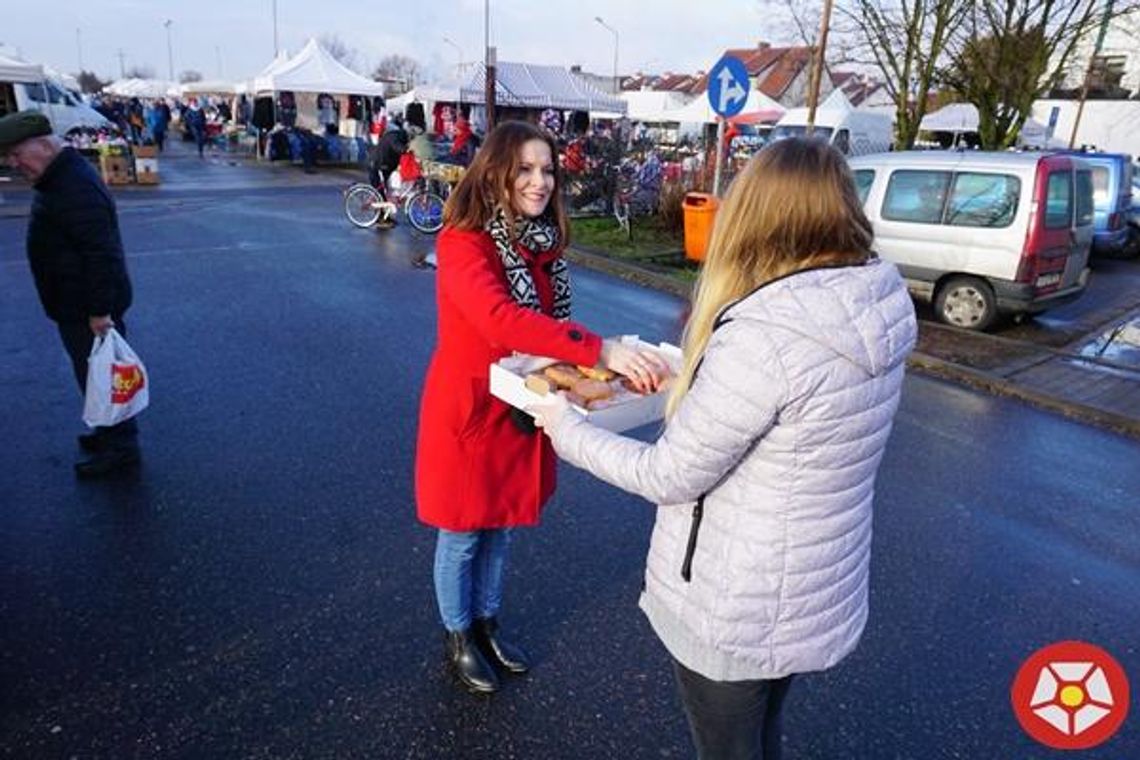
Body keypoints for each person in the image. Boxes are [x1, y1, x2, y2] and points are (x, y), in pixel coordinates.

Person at [529, 138, 917, 758]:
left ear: (759, 215)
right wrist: (690, 372)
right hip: (808, 587)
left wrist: (566, 429)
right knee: (760, 735)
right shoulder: (873, 303)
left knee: (729, 747)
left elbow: (667, 475)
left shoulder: (766, 336)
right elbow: (788, 414)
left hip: (738, 600)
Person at [415, 120, 669, 695]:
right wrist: (600, 348)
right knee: (462, 534)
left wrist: (600, 369)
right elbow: (500, 319)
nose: (539, 182)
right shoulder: (463, 242)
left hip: (524, 404)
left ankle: (487, 624)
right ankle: (458, 636)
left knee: (502, 527)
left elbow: (546, 333)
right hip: (473, 409)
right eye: (525, 169)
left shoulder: (541, 245)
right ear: (496, 172)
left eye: (548, 169)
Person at [0, 110, 142, 478]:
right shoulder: (59, 176)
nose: (14, 164)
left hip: (88, 308)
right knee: (95, 375)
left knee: (105, 375)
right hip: (76, 303)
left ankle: (121, 447)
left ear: (44, 145)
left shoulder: (72, 186)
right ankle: (108, 432)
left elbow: (100, 253)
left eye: (17, 154)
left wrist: (99, 310)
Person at [369, 117, 408, 192]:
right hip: (380, 163)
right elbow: (399, 148)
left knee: (383, 185)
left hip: (382, 162)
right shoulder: (394, 137)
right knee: (381, 186)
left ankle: (384, 198)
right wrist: (407, 149)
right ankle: (382, 199)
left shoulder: (393, 135)